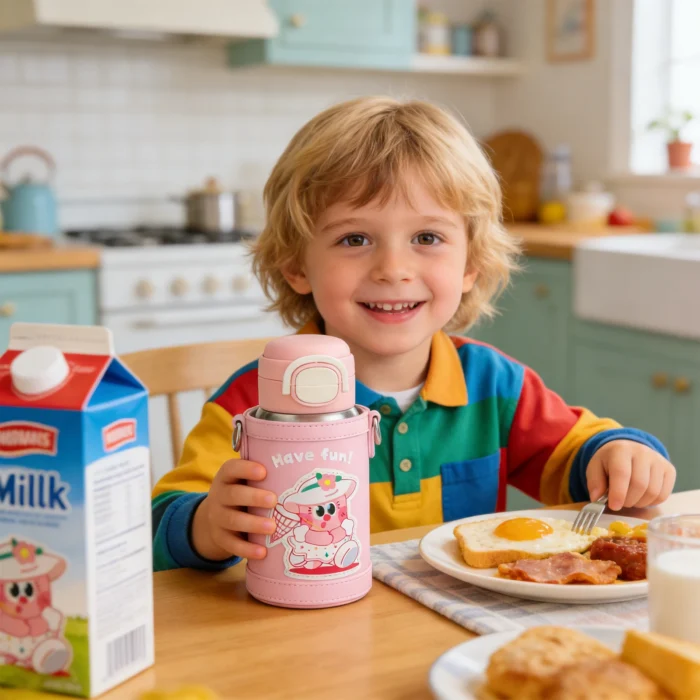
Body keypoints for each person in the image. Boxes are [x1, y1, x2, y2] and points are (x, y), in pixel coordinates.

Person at [150, 97, 675, 571]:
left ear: (470, 262)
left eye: (427, 237)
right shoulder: (254, 405)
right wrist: (207, 526)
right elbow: (159, 527)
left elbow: (578, 459)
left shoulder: (493, 385)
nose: (393, 268)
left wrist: (621, 454)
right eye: (355, 238)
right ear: (296, 265)